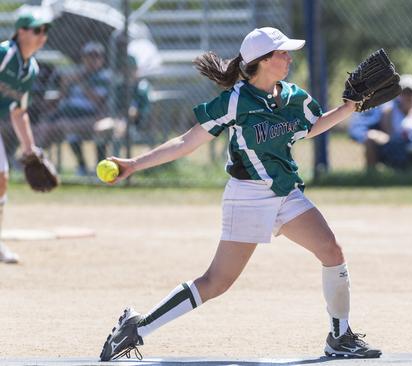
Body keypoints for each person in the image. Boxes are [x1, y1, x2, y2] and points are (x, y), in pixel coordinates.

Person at [99, 27, 382, 361]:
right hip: (247, 196)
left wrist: (349, 107)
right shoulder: (235, 101)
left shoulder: (294, 96)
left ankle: (340, 336)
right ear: (261, 62)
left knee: (331, 250)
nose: (288, 57)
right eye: (281, 53)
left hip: (285, 191)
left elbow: (312, 126)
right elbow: (186, 142)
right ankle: (137, 328)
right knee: (216, 282)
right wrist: (133, 163)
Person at [0, 13, 51, 263]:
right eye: (37, 30)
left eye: (45, 30)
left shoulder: (31, 69)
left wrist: (30, 149)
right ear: (21, 31)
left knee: (1, 179)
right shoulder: (4, 53)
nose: (42, 35)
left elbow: (19, 112)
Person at [348, 74, 412, 176]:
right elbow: (390, 134)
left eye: (411, 92)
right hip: (395, 145)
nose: (407, 96)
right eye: (404, 92)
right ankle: (371, 177)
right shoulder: (388, 110)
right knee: (371, 137)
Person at [35, 41, 111, 175]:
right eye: (88, 57)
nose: (91, 60)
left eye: (95, 57)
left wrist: (82, 83)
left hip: (89, 114)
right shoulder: (75, 74)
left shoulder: (104, 77)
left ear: (102, 59)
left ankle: (85, 167)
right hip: (67, 112)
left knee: (67, 127)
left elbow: (99, 102)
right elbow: (62, 97)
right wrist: (66, 83)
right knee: (43, 127)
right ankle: (32, 162)